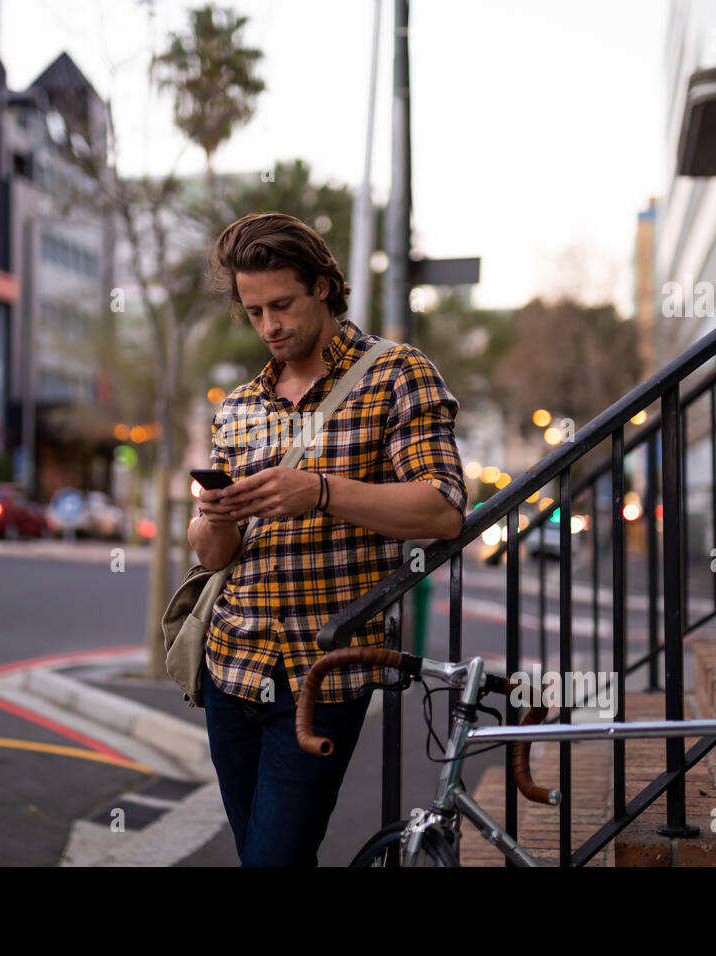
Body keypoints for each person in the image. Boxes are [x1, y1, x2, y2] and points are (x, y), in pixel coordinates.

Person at [190, 211, 466, 866]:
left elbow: (443, 510)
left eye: (281, 304)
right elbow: (211, 556)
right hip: (230, 667)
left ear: (322, 285)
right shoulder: (238, 407)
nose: (270, 326)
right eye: (254, 312)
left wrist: (317, 491)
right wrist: (215, 517)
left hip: (322, 673)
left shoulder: (396, 373)